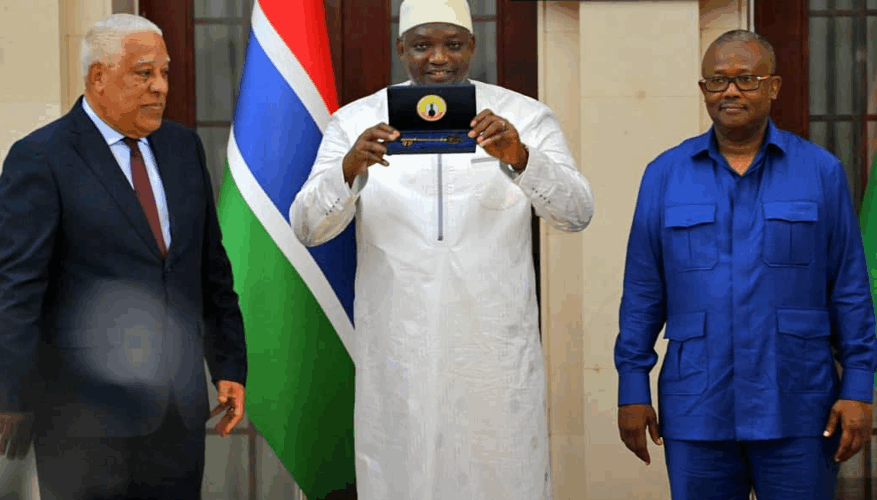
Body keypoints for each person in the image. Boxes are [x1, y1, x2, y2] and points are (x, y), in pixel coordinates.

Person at [290, 0, 595, 498]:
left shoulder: (522, 115)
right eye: (422, 45)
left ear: (472, 46)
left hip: (493, 352)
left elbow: (576, 213)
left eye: (452, 45)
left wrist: (519, 157)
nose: (438, 59)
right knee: (401, 478)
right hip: (397, 351)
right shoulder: (358, 120)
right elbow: (307, 227)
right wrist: (350, 168)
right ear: (400, 49)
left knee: (500, 476)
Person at [614, 29, 877, 500]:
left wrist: (859, 386)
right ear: (703, 91)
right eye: (717, 81)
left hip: (799, 404)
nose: (730, 91)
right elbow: (642, 293)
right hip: (697, 405)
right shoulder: (665, 175)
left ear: (774, 87)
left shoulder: (820, 172)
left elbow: (850, 290)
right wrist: (632, 387)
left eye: (746, 79)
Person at [0, 14, 247, 499]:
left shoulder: (181, 147)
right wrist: (9, 394)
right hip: (81, 418)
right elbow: (17, 289)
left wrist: (229, 364)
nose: (160, 87)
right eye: (144, 73)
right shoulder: (41, 157)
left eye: (166, 73)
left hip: (175, 412)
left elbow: (208, 267)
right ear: (98, 78)